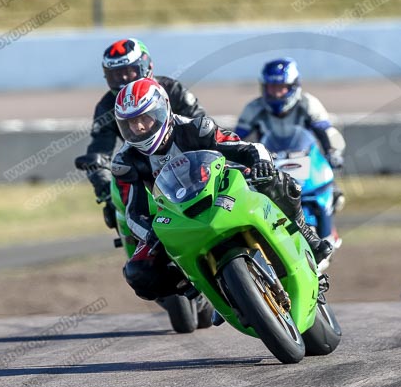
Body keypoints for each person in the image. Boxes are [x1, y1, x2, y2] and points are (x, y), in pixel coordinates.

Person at [110, 77, 333, 302]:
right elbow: (133, 212)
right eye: (130, 123)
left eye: (144, 118)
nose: (138, 127)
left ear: (162, 110)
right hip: (177, 214)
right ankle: (194, 282)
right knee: (138, 272)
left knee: (280, 181)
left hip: (222, 189)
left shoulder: (197, 128)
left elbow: (247, 148)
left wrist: (261, 163)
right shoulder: (126, 162)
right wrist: (151, 234)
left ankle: (306, 235)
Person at [74, 38, 206, 230]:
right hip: (144, 172)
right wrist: (105, 188)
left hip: (189, 164)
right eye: (115, 75)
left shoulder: (172, 89)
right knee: (121, 212)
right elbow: (99, 150)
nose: (123, 80)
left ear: (146, 66)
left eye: (128, 72)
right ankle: (141, 244)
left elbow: (201, 125)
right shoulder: (106, 107)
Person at [236, 58, 347, 212]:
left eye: (281, 88)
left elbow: (327, 131)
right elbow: (236, 139)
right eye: (272, 88)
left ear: (293, 86)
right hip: (270, 164)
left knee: (333, 197)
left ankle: (326, 224)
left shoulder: (308, 103)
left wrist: (333, 152)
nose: (276, 94)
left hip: (306, 160)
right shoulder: (253, 108)